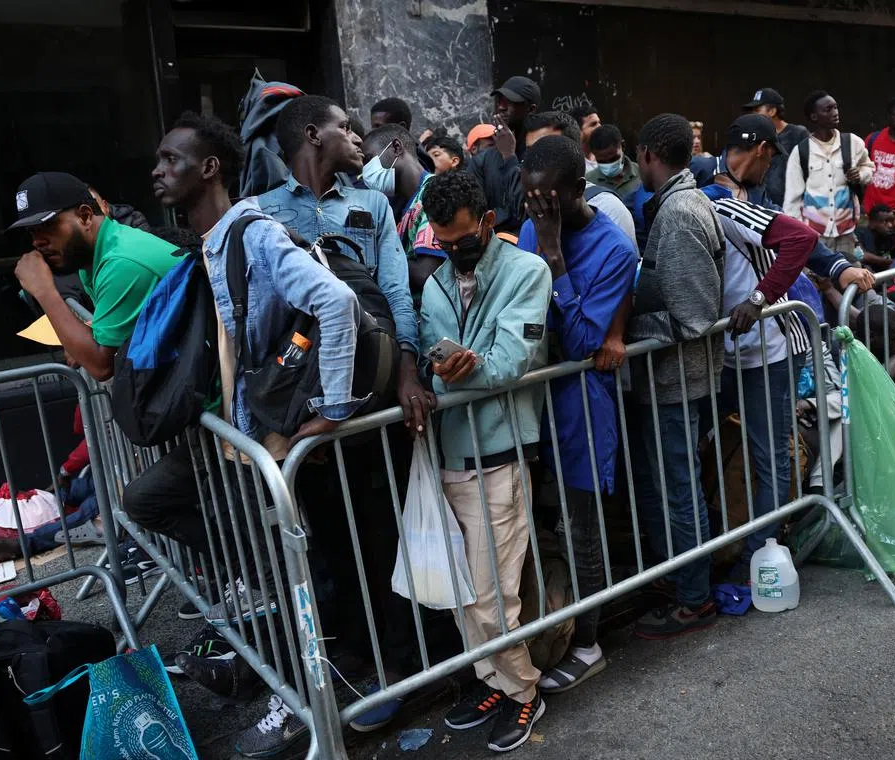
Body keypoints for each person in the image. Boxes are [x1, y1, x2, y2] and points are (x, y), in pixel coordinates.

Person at [149, 110, 360, 757]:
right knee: (302, 577)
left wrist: (333, 409)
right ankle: (311, 702)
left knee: (315, 582)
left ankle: (319, 710)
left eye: (171, 160)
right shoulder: (211, 243)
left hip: (289, 444)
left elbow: (336, 302)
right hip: (259, 444)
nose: (158, 172)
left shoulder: (254, 235)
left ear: (210, 168)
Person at [700, 114, 872, 577]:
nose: (769, 169)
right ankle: (744, 547)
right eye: (770, 157)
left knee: (771, 452)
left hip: (768, 348)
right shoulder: (717, 198)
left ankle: (759, 551)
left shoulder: (737, 196)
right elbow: (798, 236)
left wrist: (835, 269)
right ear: (762, 152)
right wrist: (760, 300)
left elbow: (796, 239)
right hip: (738, 347)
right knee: (755, 452)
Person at [419, 171, 551, 752]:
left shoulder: (528, 272)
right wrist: (446, 373)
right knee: (463, 594)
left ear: (488, 222)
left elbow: (508, 361)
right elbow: (436, 362)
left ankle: (524, 691)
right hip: (449, 455)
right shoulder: (436, 285)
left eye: (462, 239)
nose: (453, 251)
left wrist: (452, 377)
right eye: (442, 243)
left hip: (501, 454)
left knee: (493, 597)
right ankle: (493, 679)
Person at [513, 136, 638, 691]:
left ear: (577, 193)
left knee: (583, 529)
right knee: (543, 525)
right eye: (530, 201)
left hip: (581, 408)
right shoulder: (527, 230)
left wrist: (553, 255)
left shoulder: (613, 249)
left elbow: (586, 340)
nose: (539, 212)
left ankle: (589, 646)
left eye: (549, 201)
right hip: (530, 405)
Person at [256, 95, 434, 436]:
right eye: (346, 127)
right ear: (313, 135)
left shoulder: (374, 203)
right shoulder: (263, 212)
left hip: (371, 375)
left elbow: (395, 291)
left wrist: (406, 371)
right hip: (299, 384)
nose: (356, 138)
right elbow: (261, 316)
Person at [625, 113, 723, 638]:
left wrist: (626, 326)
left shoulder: (681, 213)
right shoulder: (676, 205)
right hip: (668, 380)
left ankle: (693, 599)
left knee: (677, 489)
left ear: (646, 155)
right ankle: (682, 582)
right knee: (670, 486)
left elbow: (696, 315)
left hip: (676, 382)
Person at [10, 171, 179, 382]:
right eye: (32, 231)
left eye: (47, 226)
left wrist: (44, 290)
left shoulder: (121, 262)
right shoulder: (97, 253)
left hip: (205, 401)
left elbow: (101, 366)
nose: (37, 241)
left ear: (85, 216)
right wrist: (78, 340)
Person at [523, 112, 637, 248]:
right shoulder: (530, 226)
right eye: (530, 152)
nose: (536, 161)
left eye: (549, 149)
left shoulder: (610, 209)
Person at [784, 90, 874, 258]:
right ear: (814, 117)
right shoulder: (802, 152)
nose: (835, 113)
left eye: (836, 108)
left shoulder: (852, 143)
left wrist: (860, 175)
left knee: (849, 277)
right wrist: (798, 235)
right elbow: (792, 200)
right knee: (820, 280)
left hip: (846, 231)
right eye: (828, 110)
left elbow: (869, 168)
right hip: (814, 234)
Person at [361, 125, 445, 301]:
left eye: (368, 160)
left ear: (396, 147)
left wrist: (373, 255)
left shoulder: (436, 193)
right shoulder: (408, 206)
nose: (365, 171)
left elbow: (425, 274)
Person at [467, 75, 541, 233]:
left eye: (511, 102)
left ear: (531, 109)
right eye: (499, 100)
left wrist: (509, 157)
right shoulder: (482, 160)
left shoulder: (540, 155)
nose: (501, 107)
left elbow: (527, 212)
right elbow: (474, 215)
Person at [743, 87, 810, 207]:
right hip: (763, 206)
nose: (753, 115)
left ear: (772, 111)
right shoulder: (756, 136)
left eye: (757, 110)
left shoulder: (798, 134)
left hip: (793, 207)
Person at [585, 124, 642, 202]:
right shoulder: (588, 182)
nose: (609, 165)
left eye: (613, 159)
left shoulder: (642, 174)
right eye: (602, 161)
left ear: (623, 146)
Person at [856, 204, 895, 270]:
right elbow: (863, 256)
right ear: (872, 223)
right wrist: (892, 262)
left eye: (891, 221)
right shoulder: (860, 233)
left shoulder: (891, 234)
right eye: (885, 221)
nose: (890, 225)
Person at [568, 102, 602, 170]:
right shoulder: (571, 165)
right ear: (577, 131)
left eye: (599, 123)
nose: (600, 127)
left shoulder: (606, 157)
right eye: (593, 124)